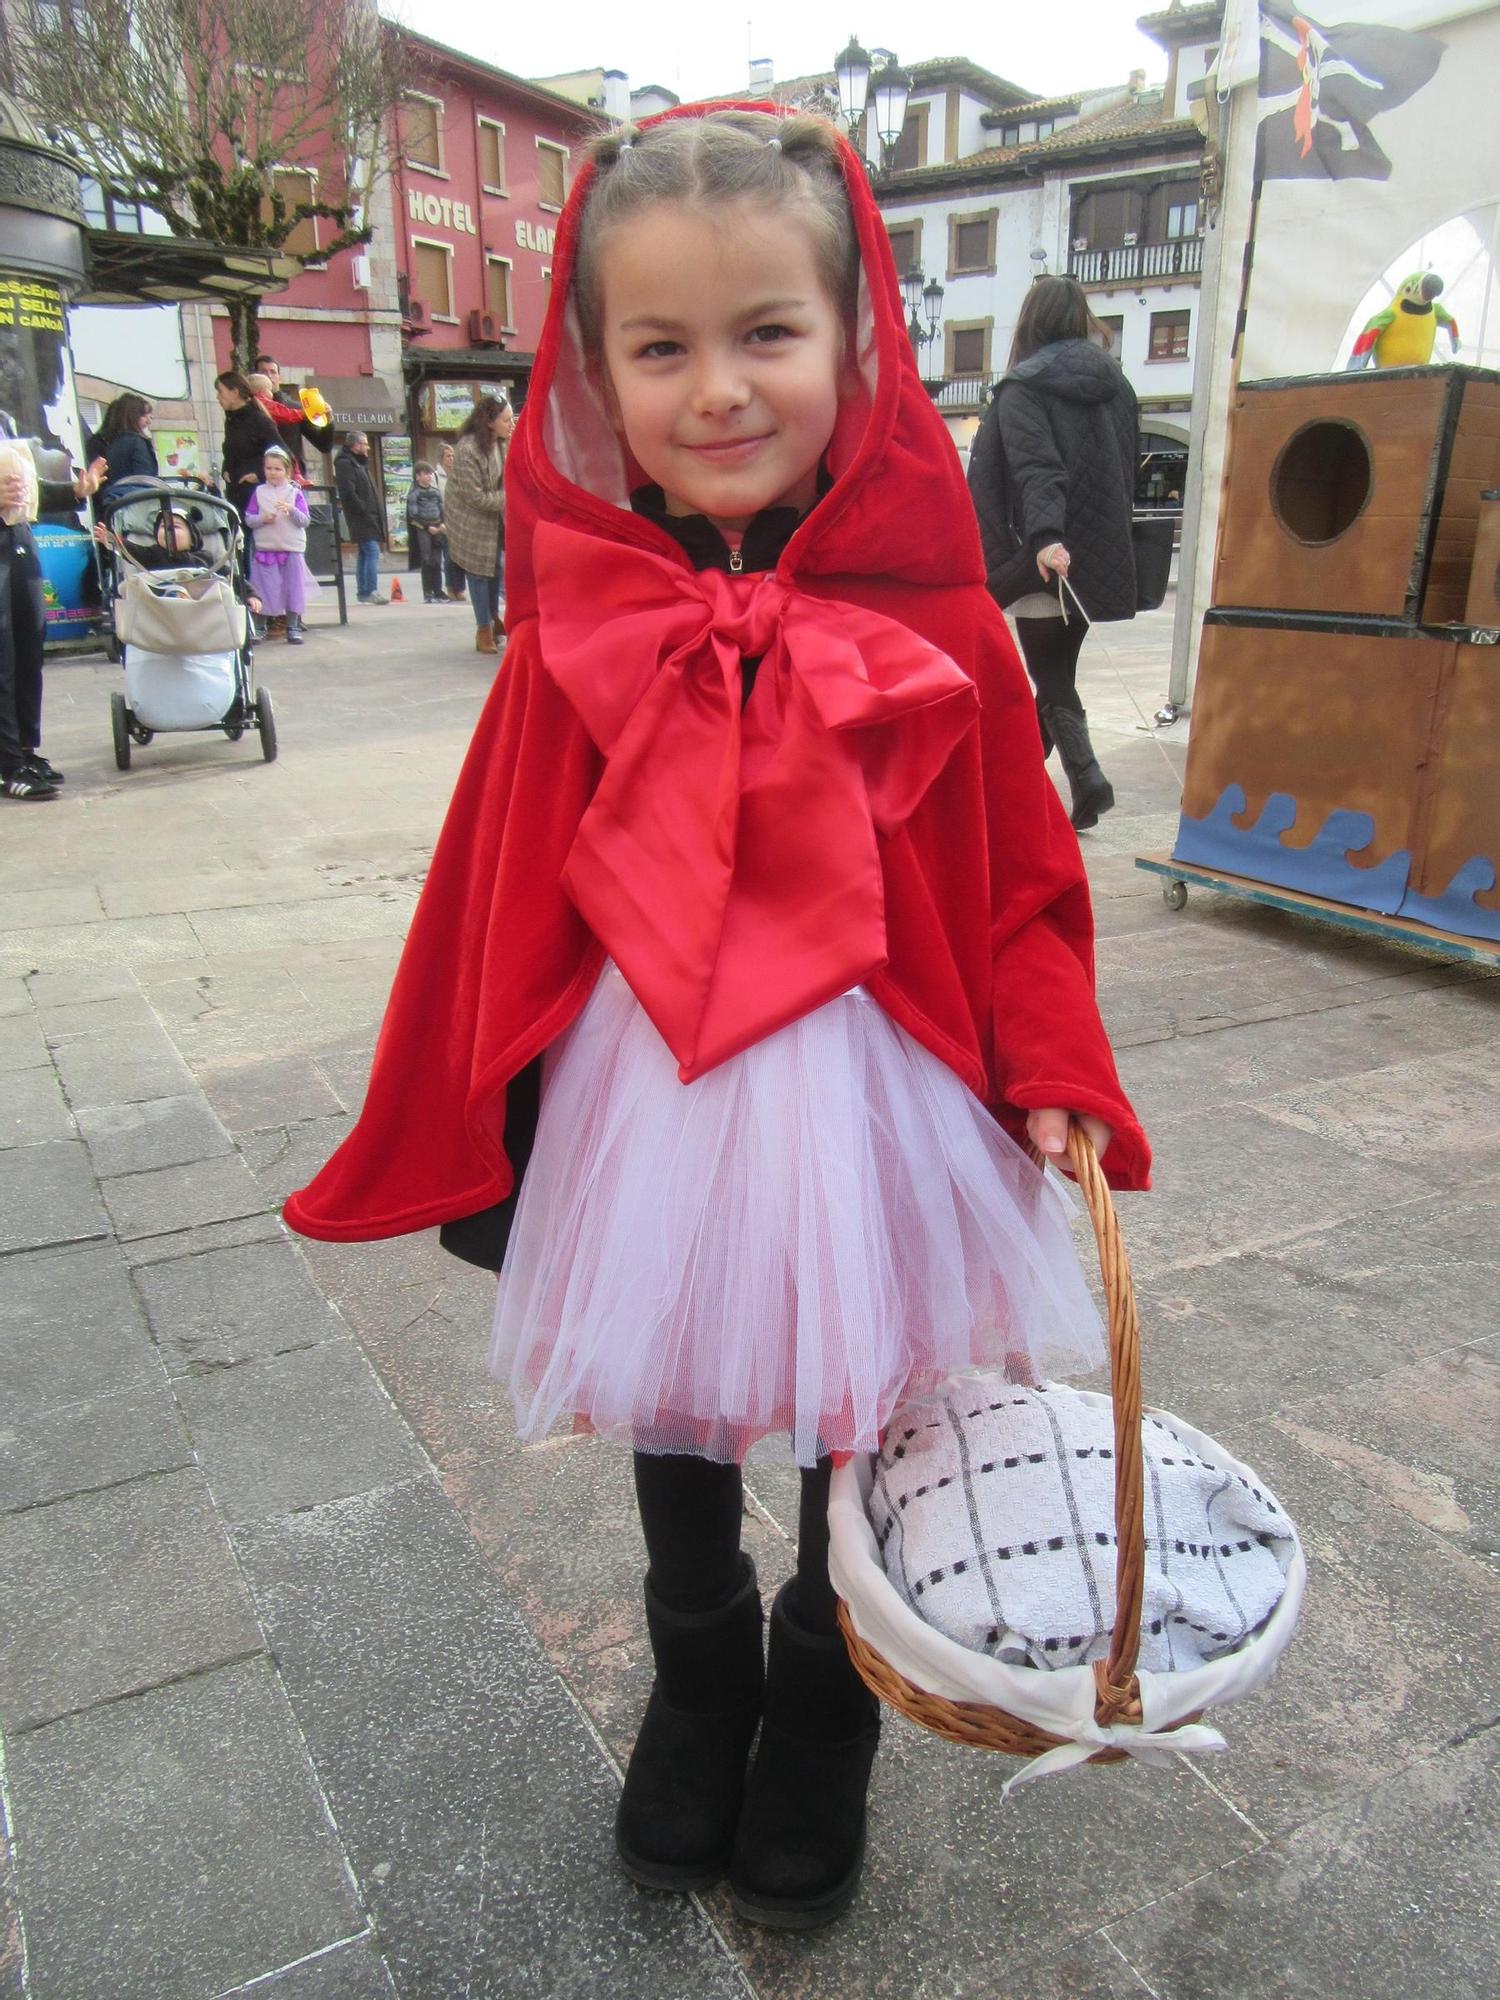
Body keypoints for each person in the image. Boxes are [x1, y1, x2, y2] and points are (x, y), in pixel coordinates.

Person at [283, 107, 1149, 1932]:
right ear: (593, 371)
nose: (719, 388)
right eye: (660, 346)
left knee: (868, 1393)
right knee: (674, 1379)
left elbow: (1017, 885)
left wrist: (1054, 1066)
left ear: (857, 341)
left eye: (768, 332)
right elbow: (498, 877)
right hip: (649, 1082)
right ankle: (700, 1670)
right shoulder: (581, 625)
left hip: (879, 1082)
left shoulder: (954, 627)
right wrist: (473, 1078)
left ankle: (829, 1695)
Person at [967, 275, 1139, 831]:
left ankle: (1087, 779)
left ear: (1030, 322)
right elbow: (1127, 468)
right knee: (1057, 671)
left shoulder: (1024, 388)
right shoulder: (1119, 387)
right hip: (1092, 558)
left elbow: (1037, 468)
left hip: (1043, 555)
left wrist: (1043, 538)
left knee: (1048, 673)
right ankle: (1017, 790)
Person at [0, 443, 104, 798]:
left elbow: (26, 484)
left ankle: (24, 751)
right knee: (2, 660)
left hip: (18, 540)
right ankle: (8, 765)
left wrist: (74, 491)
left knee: (28, 652)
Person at [445, 393, 509, 654]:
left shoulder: (501, 443)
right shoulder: (468, 448)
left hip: (493, 514)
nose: (511, 423)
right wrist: (510, 497)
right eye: (506, 419)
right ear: (489, 421)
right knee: (479, 572)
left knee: (495, 567)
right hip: (468, 517)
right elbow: (474, 497)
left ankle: (493, 618)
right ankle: (483, 629)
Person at [245, 445, 318, 643]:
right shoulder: (259, 492)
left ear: (286, 470)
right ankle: (259, 627)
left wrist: (291, 510)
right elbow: (249, 519)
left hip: (291, 549)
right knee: (262, 589)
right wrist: (262, 519)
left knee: (292, 588)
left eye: (277, 469)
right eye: (268, 468)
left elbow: (304, 520)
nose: (272, 473)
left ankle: (292, 626)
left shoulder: (295, 493)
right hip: (266, 550)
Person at [253, 352, 337, 479]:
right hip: (259, 478)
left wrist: (328, 421)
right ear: (255, 377)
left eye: (273, 372)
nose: (269, 376)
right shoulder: (249, 408)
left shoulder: (294, 408)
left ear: (279, 378)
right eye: (263, 372)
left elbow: (324, 445)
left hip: (291, 479)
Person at [215, 370, 282, 525]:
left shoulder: (258, 420)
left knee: (255, 546)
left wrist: (259, 474)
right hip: (236, 496)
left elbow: (281, 453)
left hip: (257, 497)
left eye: (220, 391)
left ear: (234, 392)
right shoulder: (231, 420)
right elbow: (232, 450)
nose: (218, 397)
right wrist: (226, 468)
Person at [334, 430, 386, 604]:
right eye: (364, 443)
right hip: (361, 516)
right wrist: (363, 509)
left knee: (365, 552)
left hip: (369, 515)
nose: (367, 447)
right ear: (355, 445)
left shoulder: (360, 462)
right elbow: (348, 492)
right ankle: (370, 590)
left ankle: (363, 591)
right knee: (372, 551)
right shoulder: (345, 463)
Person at [88, 393, 158, 497]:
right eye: (143, 415)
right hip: (136, 502)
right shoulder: (137, 442)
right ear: (132, 415)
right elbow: (145, 479)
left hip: (112, 502)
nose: (148, 421)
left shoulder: (111, 443)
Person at [405, 461, 449, 602]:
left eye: (430, 473)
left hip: (438, 528)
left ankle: (438, 591)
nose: (429, 476)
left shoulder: (436, 492)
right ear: (418, 476)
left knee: (437, 561)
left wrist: (442, 524)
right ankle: (428, 592)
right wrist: (427, 527)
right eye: (426, 473)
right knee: (427, 560)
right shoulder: (414, 494)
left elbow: (442, 511)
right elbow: (412, 516)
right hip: (423, 530)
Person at [434, 442, 466, 597]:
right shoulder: (435, 476)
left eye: (453, 456)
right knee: (449, 556)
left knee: (460, 555)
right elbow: (435, 499)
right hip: (444, 520)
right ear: (441, 458)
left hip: (459, 519)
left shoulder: (458, 475)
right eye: (448, 456)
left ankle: (460, 588)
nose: (451, 459)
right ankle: (450, 587)